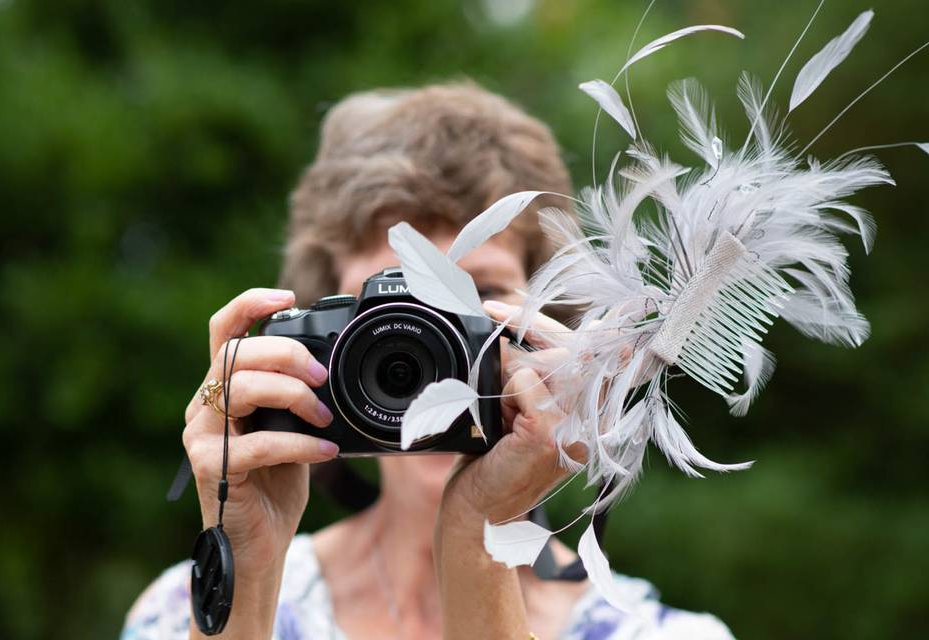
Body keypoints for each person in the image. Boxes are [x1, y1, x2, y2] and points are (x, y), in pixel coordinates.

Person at [122, 82, 734, 639]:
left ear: (556, 329)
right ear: (315, 342)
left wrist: (477, 540)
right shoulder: (182, 615)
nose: (430, 352)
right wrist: (246, 577)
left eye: (478, 296)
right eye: (393, 298)